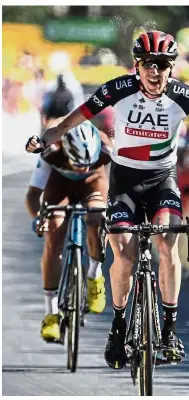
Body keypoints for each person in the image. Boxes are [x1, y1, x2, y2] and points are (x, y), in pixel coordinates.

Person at [26, 30, 189, 367]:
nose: (154, 72)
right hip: (124, 181)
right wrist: (42, 139)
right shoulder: (117, 89)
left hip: (162, 181)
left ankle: (168, 330)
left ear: (172, 67)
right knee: (122, 254)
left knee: (168, 245)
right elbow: (70, 121)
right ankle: (117, 327)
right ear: (136, 66)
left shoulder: (184, 95)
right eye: (147, 65)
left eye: (162, 65)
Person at [25, 121, 110, 342]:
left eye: (86, 162)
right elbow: (33, 195)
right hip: (59, 185)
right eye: (77, 162)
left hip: (94, 183)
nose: (82, 168)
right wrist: (38, 218)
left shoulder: (106, 149)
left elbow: (118, 188)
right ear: (65, 148)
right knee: (53, 232)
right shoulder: (51, 151)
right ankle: (51, 313)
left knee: (97, 218)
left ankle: (94, 273)